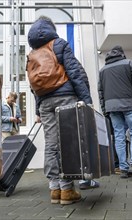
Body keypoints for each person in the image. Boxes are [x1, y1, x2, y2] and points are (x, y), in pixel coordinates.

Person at [27, 16, 98, 205]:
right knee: (67, 142)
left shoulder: (33, 53)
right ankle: (67, 190)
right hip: (65, 97)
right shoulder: (59, 44)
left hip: (45, 103)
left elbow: (34, 86)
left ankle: (54, 189)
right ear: (50, 27)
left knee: (51, 144)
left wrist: (37, 111)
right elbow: (74, 72)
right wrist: (86, 100)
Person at [98, 45, 132, 180]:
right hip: (130, 103)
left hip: (112, 107)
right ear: (122, 54)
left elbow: (100, 92)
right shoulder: (129, 63)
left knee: (119, 136)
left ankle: (124, 168)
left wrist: (104, 110)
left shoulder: (102, 71)